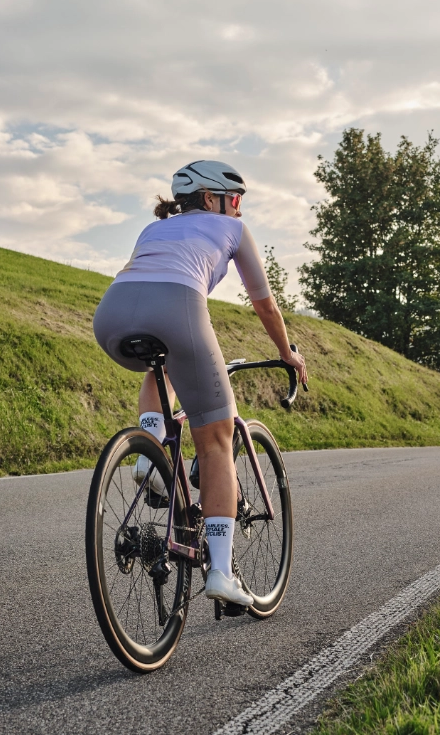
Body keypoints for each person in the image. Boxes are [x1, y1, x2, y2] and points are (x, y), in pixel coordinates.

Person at [93, 160, 307, 606]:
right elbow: (265, 305)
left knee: (163, 365)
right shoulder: (233, 231)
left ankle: (150, 456)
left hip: (112, 313)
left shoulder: (154, 230)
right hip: (177, 309)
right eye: (234, 199)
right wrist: (288, 353)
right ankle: (223, 573)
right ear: (211, 199)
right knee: (215, 440)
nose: (239, 209)